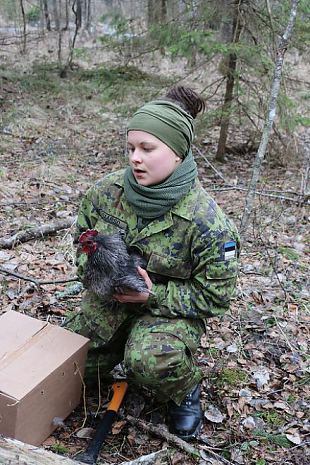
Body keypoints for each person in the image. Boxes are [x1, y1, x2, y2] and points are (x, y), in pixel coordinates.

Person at [67, 86, 240, 441]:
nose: (135, 158)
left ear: (178, 153)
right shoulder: (104, 194)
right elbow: (79, 251)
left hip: (167, 315)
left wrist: (152, 296)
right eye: (131, 148)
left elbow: (215, 298)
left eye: (148, 149)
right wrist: (101, 276)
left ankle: (184, 389)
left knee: (149, 362)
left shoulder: (207, 223)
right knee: (67, 363)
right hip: (107, 305)